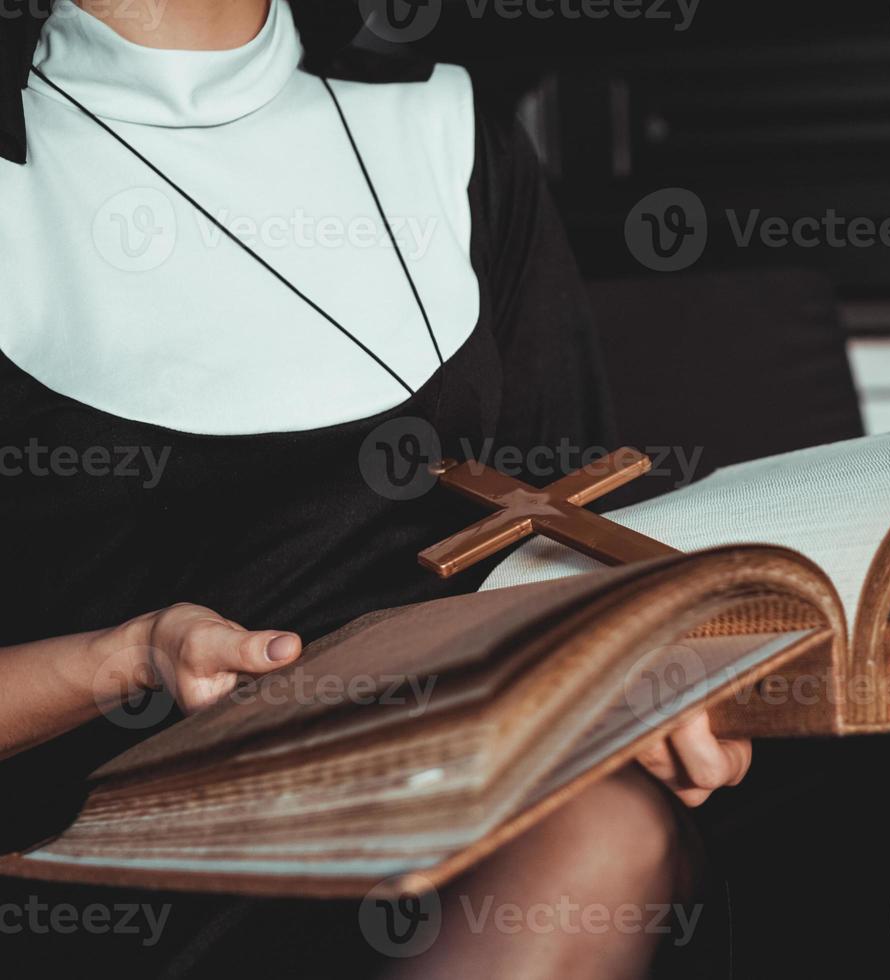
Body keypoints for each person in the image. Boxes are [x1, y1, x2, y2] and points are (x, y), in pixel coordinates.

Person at [0, 1, 749, 975]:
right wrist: (130, 653)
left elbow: (570, 529)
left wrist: (639, 676)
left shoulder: (448, 127)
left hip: (468, 802)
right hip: (119, 862)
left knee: (604, 832)